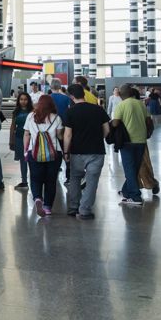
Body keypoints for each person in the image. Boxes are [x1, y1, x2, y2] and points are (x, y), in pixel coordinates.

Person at [63, 83, 110, 220]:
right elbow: (107, 130)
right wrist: (98, 138)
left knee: (75, 179)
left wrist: (66, 152)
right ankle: (84, 210)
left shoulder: (70, 112)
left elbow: (67, 135)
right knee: (92, 181)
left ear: (71, 96)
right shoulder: (98, 109)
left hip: (77, 151)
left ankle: (73, 207)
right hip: (96, 151)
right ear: (83, 94)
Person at [23, 94, 63, 217]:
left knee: (35, 178)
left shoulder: (30, 116)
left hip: (34, 152)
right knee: (51, 180)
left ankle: (37, 198)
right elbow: (60, 136)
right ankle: (47, 207)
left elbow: (26, 134)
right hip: (54, 152)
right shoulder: (56, 118)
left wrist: (25, 150)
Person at [10, 92, 34, 190]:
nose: (23, 101)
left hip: (31, 138)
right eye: (21, 99)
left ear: (28, 100)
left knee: (32, 161)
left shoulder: (32, 111)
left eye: (25, 99)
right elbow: (12, 126)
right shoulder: (16, 112)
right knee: (23, 161)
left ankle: (35, 181)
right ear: (18, 101)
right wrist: (11, 140)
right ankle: (24, 181)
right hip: (19, 138)